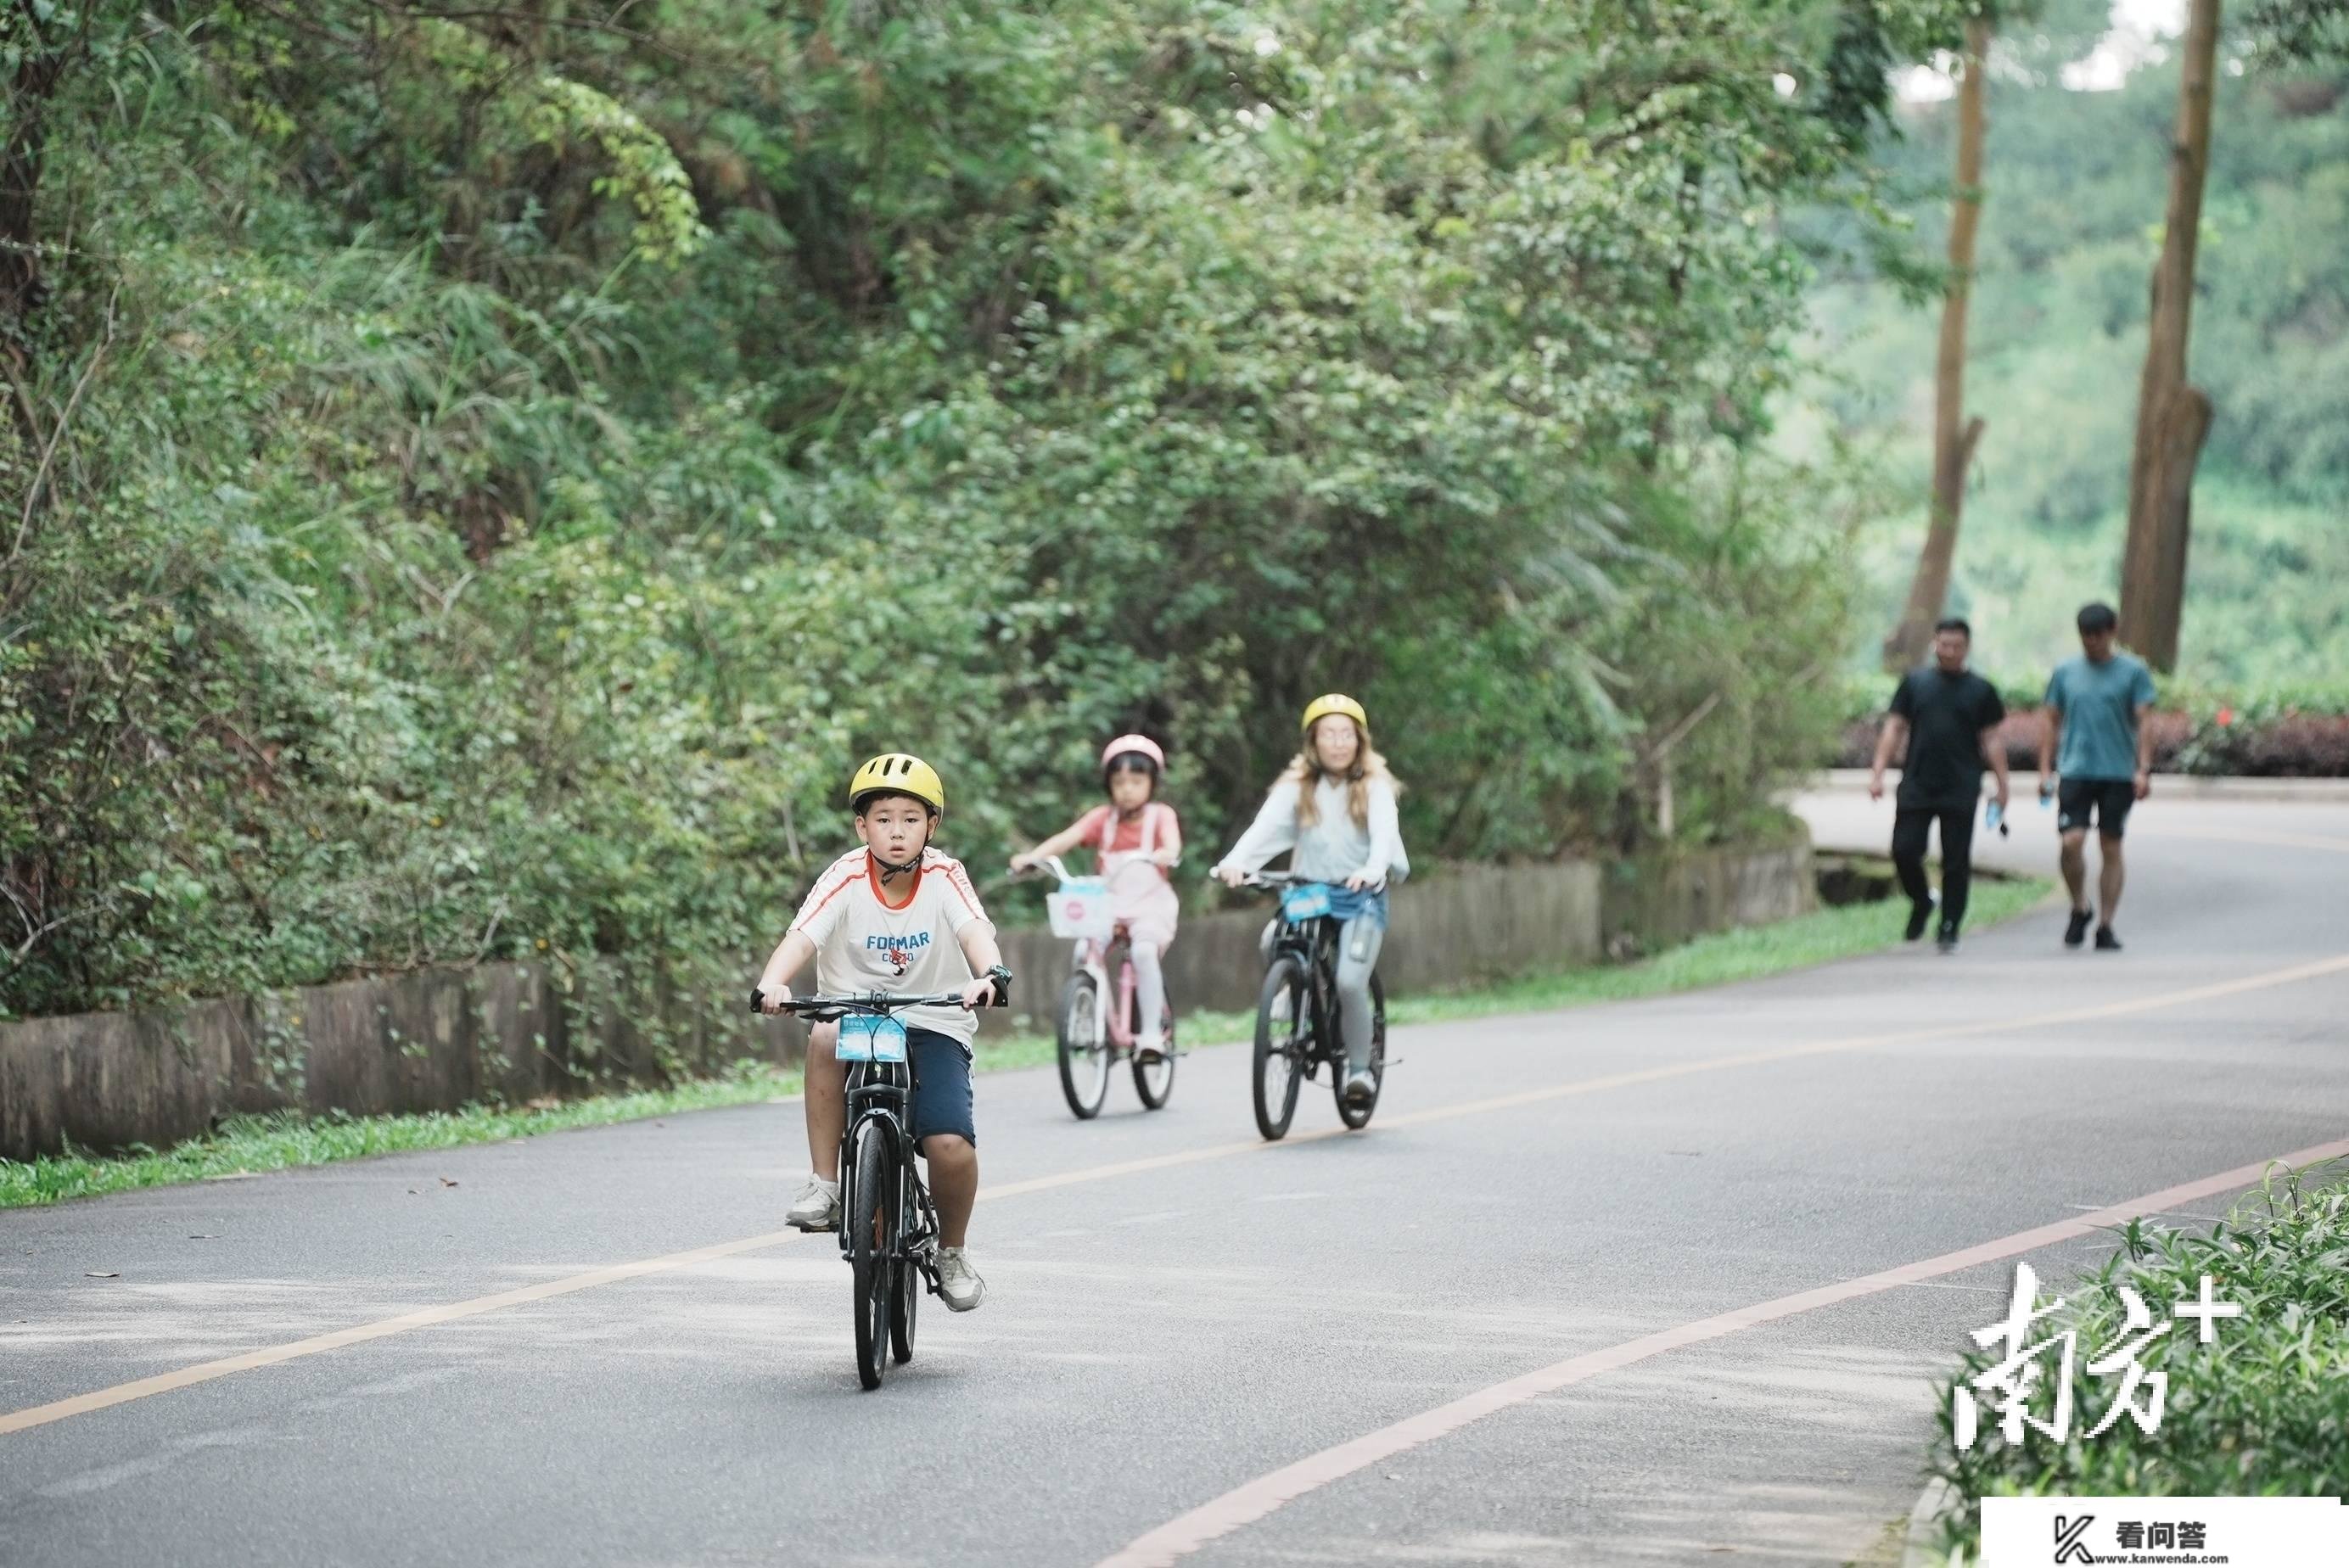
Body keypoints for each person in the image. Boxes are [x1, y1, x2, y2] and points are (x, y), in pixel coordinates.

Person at [755, 753, 1010, 1312]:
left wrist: (988, 975)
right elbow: (802, 936)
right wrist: (772, 983)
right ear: (861, 826)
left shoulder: (945, 876)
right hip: (859, 1014)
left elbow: (974, 933)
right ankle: (826, 1184)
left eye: (911, 819)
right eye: (884, 818)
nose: (897, 831)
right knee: (823, 1036)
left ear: (931, 826)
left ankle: (952, 1250)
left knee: (948, 1145)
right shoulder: (846, 875)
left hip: (933, 1018)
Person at [1212, 694, 1408, 1110]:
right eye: (1328, 735)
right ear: (1313, 742)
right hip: (1311, 893)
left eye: (1346, 735)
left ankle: (1357, 1071)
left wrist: (1373, 870)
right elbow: (1264, 829)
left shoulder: (1373, 786)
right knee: (1274, 943)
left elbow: (1384, 837)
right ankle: (1297, 996)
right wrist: (1236, 862)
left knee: (1351, 981)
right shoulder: (1297, 787)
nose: (1337, 743)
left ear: (1359, 741)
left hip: (1360, 896)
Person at [1009, 735, 1182, 1058]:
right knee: (1084, 950)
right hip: (1110, 906)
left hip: (1150, 906)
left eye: (1136, 780)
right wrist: (1032, 858)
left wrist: (1167, 853)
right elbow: (1067, 838)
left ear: (1152, 783)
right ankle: (1090, 1013)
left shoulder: (1161, 816)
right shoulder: (1103, 819)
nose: (1127, 788)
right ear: (1109, 785)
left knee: (1144, 953)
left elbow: (1172, 844)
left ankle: (1150, 1036)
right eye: (1119, 781)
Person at [1869, 618, 2010, 954]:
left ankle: (1950, 925)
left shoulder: (1981, 690)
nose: (1949, 652)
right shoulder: (1915, 684)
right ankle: (1922, 900)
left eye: (1956, 646)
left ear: (1967, 648)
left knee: (1956, 860)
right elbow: (1894, 728)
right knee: (1904, 850)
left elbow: (1991, 740)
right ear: (1934, 644)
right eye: (1943, 645)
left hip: (1961, 785)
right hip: (1918, 782)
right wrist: (1877, 772)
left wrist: (2003, 784)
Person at [2038, 602, 2157, 951]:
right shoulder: (2065, 673)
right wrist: (2045, 769)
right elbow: (2050, 720)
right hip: (2075, 769)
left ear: (2112, 632)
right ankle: (2079, 905)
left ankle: (2106, 924)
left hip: (2117, 772)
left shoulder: (2133, 672)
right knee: (2070, 842)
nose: (2092, 642)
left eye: (2098, 635)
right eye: (2086, 636)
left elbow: (2145, 722)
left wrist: (2143, 769)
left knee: (2111, 845)